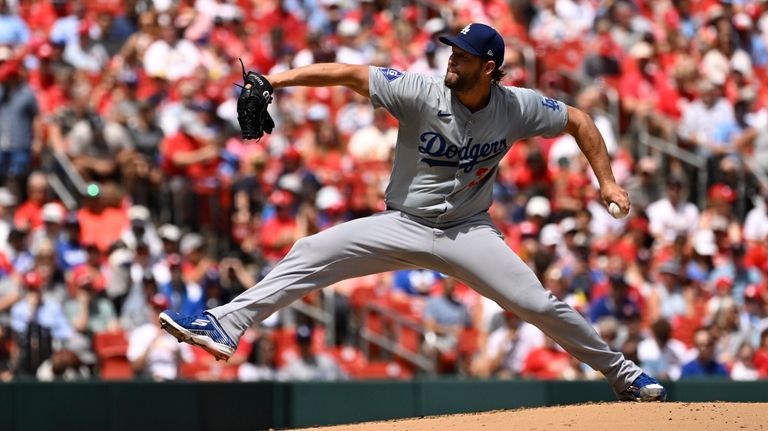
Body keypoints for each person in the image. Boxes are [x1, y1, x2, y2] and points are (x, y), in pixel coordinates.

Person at [160, 23, 666, 401]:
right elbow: (346, 75)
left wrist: (608, 181)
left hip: (469, 231)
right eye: (452, 49)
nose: (452, 59)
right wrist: (276, 81)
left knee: (537, 304)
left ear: (487, 68)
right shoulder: (421, 92)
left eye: (463, 55)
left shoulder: (515, 107)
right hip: (403, 223)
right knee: (312, 249)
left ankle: (624, 375)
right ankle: (225, 325)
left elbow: (578, 120)